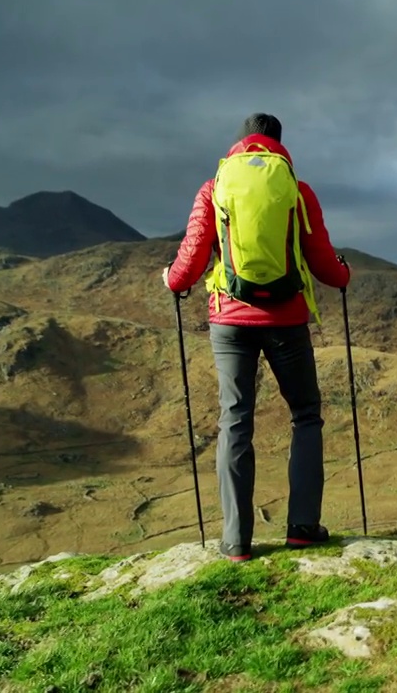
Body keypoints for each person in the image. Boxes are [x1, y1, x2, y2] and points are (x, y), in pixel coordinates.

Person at [163, 113, 352, 562]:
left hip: (229, 322)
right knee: (305, 415)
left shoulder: (215, 188)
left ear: (239, 143)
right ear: (279, 147)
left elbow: (191, 258)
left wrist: (171, 280)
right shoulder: (297, 191)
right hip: (286, 321)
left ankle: (235, 541)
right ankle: (303, 528)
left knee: (235, 419)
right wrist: (344, 273)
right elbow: (323, 262)